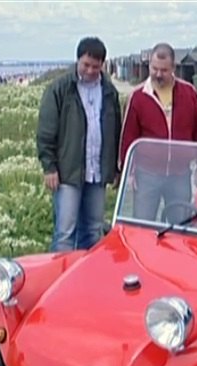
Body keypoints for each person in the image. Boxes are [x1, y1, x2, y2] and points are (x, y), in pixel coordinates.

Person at [36, 36, 122, 252]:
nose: (91, 70)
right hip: (68, 172)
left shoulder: (109, 92)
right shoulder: (59, 89)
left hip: (97, 172)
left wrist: (115, 168)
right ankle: (61, 280)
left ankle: (88, 280)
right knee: (65, 232)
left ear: (103, 64)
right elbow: (46, 132)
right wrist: (50, 167)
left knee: (93, 230)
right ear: (77, 61)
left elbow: (116, 131)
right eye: (86, 65)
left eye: (96, 66)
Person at [119, 42, 197, 223]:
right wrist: (128, 172)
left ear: (173, 68)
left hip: (180, 174)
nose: (158, 74)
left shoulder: (189, 93)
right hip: (147, 175)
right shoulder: (138, 96)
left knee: (180, 226)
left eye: (164, 70)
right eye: (154, 69)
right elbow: (128, 136)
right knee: (142, 226)